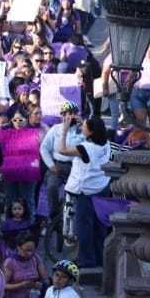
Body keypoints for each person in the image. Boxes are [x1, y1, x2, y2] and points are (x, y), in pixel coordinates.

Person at [61, 115, 111, 269]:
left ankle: (87, 261)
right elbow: (92, 129)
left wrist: (64, 131)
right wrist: (83, 121)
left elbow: (61, 150)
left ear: (90, 132)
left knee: (84, 228)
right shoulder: (105, 143)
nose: (81, 127)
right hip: (102, 187)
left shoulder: (85, 148)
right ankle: (100, 259)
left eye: (84, 126)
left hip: (86, 191)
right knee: (99, 227)